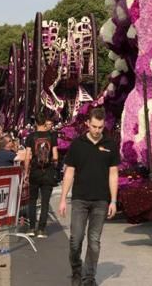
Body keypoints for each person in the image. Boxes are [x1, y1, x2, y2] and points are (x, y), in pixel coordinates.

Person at [59, 107, 119, 286]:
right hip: (80, 199)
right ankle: (77, 270)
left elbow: (113, 174)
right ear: (87, 124)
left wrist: (114, 201)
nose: (97, 130)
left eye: (100, 127)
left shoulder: (110, 145)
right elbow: (69, 172)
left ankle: (88, 278)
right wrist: (63, 198)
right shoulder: (77, 144)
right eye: (94, 126)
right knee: (76, 240)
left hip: (101, 200)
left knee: (94, 242)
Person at [24, 112, 58, 238]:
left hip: (35, 171)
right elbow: (55, 156)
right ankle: (42, 230)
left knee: (32, 200)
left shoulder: (31, 137)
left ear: (35, 123)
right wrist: (54, 166)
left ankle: (32, 228)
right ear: (45, 122)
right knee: (45, 201)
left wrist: (26, 172)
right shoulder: (52, 136)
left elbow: (27, 157)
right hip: (48, 172)